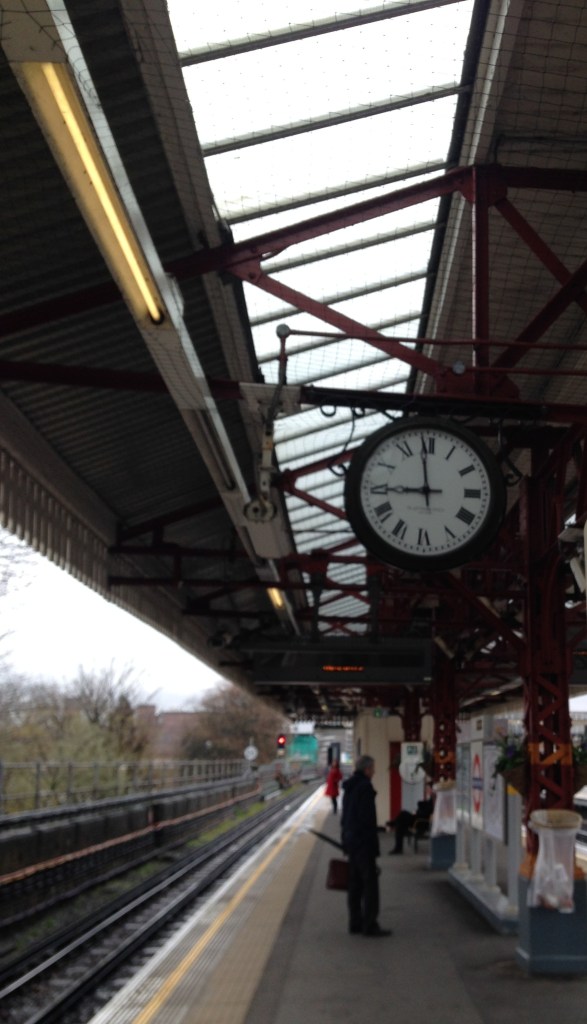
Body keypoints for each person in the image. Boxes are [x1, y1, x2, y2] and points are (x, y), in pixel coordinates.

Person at [340, 754, 391, 937]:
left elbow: (346, 817)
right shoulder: (365, 787)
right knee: (370, 885)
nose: (375, 772)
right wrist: (373, 840)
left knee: (354, 885)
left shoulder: (350, 787)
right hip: (363, 843)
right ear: (367, 769)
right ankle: (370, 925)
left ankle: (355, 922)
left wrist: (345, 840)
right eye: (373, 768)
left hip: (351, 841)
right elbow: (366, 819)